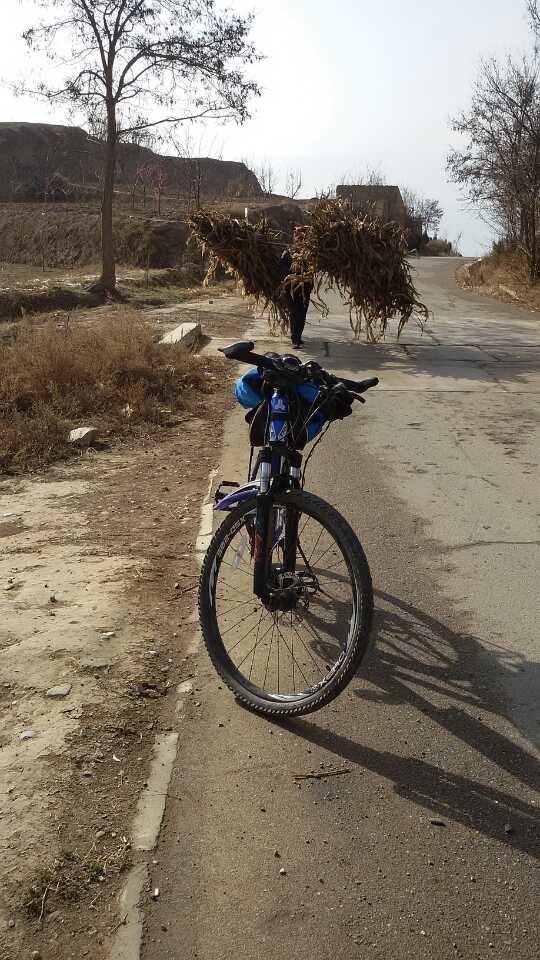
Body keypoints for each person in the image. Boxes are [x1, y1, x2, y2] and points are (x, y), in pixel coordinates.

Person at [278, 229, 313, 348]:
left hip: (305, 290)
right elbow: (282, 267)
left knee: (302, 314)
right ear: (295, 239)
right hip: (290, 290)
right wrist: (292, 276)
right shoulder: (288, 252)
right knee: (294, 314)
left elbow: (313, 269)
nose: (301, 241)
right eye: (299, 238)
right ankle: (295, 338)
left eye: (303, 239)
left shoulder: (310, 254)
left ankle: (298, 336)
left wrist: (306, 278)